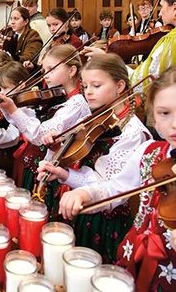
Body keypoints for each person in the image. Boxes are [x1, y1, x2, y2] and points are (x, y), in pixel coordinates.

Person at [58, 66, 176, 290]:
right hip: (136, 254)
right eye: (164, 113)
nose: (174, 124)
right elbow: (117, 187)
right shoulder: (150, 151)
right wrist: (87, 192)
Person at [38, 53, 150, 262]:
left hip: (102, 220)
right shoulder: (94, 117)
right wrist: (58, 155)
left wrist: (67, 175)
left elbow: (109, 188)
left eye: (96, 86)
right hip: (76, 206)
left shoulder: (133, 132)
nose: (88, 92)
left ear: (119, 86)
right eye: (85, 86)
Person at [0, 44, 90, 196]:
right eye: (45, 70)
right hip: (41, 167)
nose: (45, 75)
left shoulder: (76, 104)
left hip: (55, 174)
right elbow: (29, 124)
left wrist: (13, 109)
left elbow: (39, 136)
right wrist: (10, 109)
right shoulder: (59, 97)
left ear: (72, 71)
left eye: (52, 69)